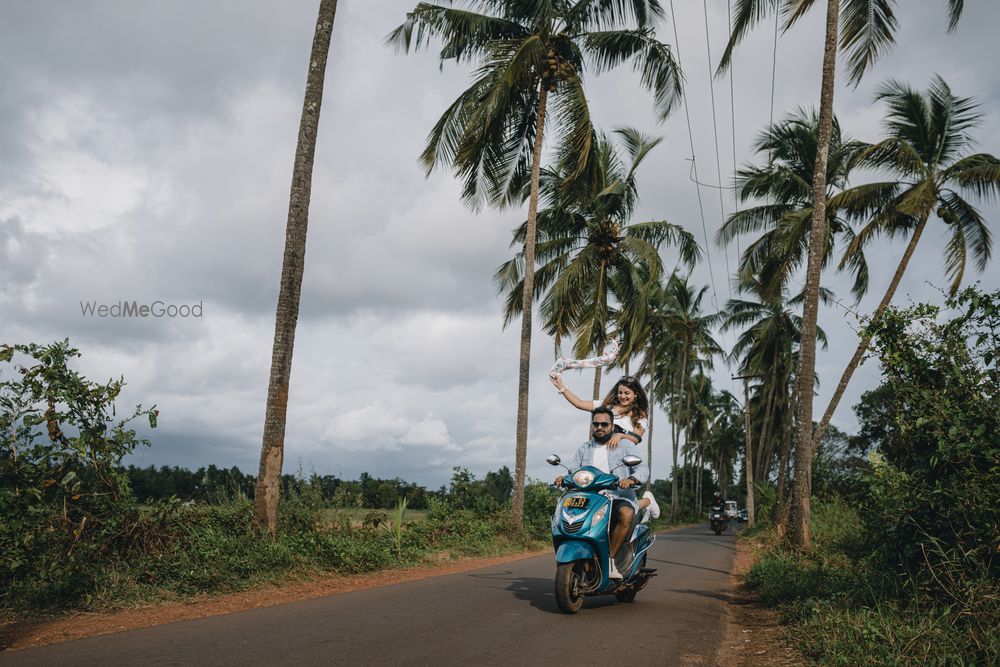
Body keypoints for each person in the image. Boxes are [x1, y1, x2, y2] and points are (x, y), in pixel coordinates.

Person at [554, 406, 648, 580]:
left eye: (604, 424)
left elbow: (642, 469)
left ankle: (611, 559)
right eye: (596, 424)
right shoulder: (585, 448)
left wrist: (632, 480)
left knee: (626, 513)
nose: (600, 427)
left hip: (617, 497)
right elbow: (573, 470)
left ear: (612, 426)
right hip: (590, 498)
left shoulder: (624, 444)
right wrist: (563, 477)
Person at [551, 373, 660, 520]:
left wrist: (620, 435)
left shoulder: (638, 415)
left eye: (627, 393)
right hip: (597, 454)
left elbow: (637, 438)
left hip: (619, 456)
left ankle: (646, 502)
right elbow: (579, 403)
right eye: (620, 392)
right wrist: (562, 387)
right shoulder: (606, 407)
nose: (623, 396)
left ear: (635, 395)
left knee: (622, 503)